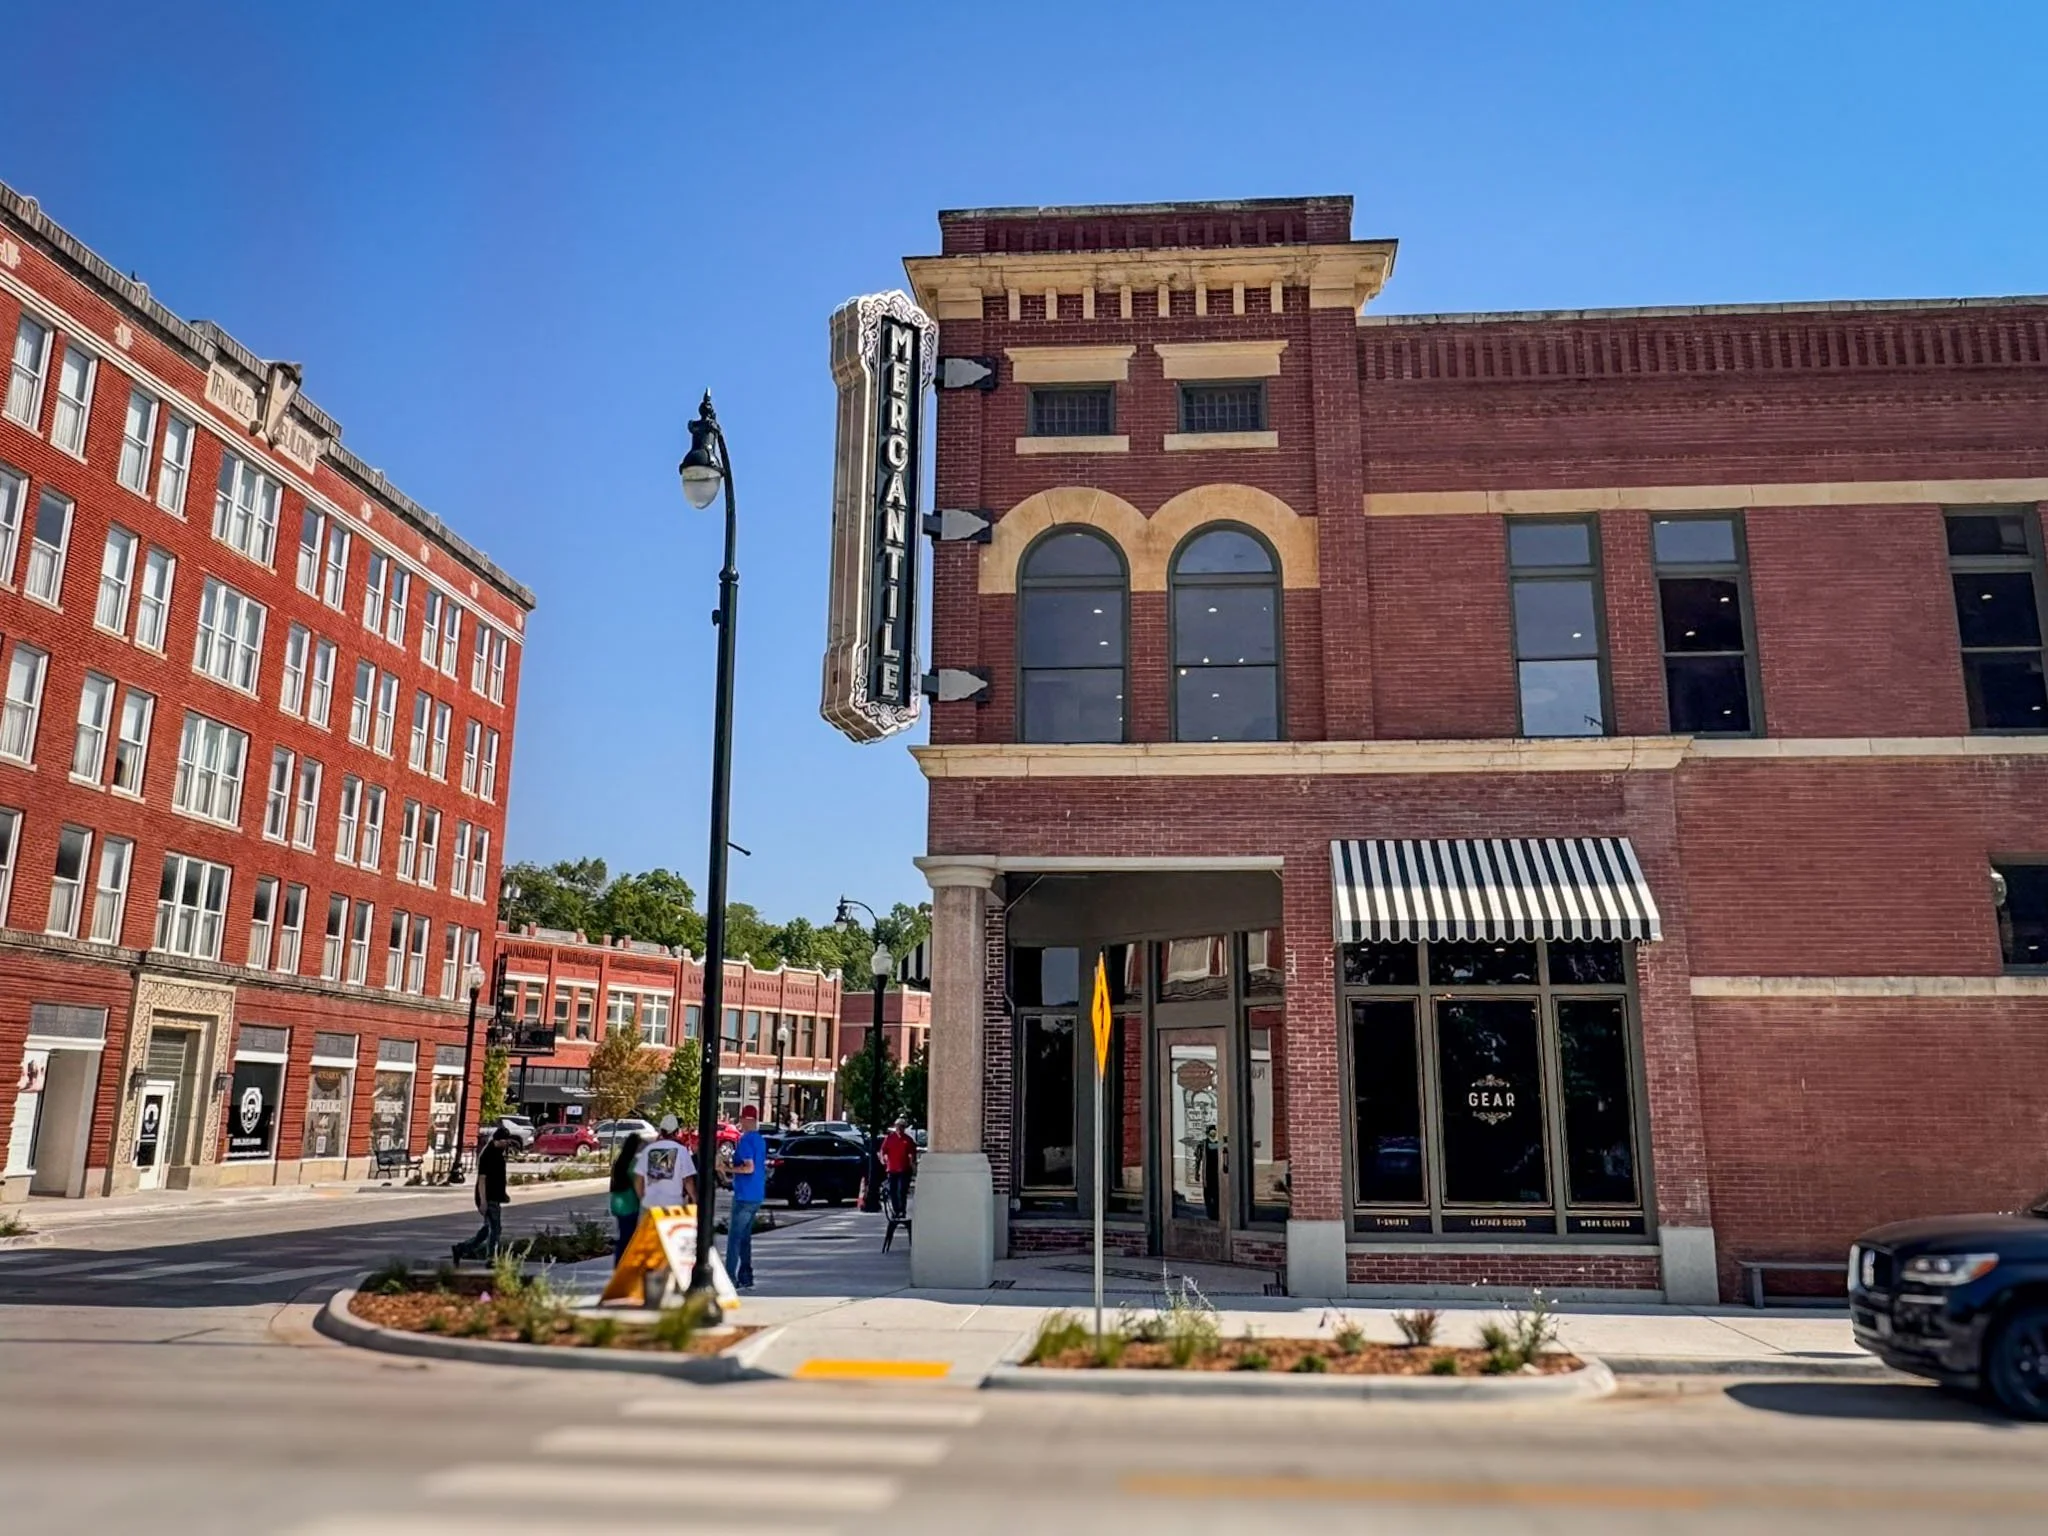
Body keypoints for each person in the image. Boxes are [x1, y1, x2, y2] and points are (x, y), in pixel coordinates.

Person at [453, 1123, 514, 1263]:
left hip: (495, 1196)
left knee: (487, 1229)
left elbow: (498, 1178)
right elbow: (482, 1179)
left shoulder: (498, 1153)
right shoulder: (488, 1155)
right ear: (497, 1140)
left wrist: (503, 1194)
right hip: (488, 1197)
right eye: (505, 1141)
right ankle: (491, 1258)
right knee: (495, 1229)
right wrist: (483, 1201)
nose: (507, 1143)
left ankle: (461, 1249)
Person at [726, 1105, 767, 1290]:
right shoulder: (760, 1140)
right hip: (756, 1194)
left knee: (734, 1238)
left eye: (741, 1119)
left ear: (745, 1120)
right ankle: (746, 1275)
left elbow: (748, 1167)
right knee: (745, 1237)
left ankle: (730, 1277)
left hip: (744, 1195)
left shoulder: (745, 1141)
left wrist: (726, 1168)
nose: (740, 1123)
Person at [634, 1113, 698, 1212]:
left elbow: (638, 1180)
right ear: (676, 1132)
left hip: (650, 1206)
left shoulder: (648, 1150)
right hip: (673, 1206)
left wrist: (643, 1199)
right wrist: (694, 1199)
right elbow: (688, 1180)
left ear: (661, 1131)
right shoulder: (681, 1150)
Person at [608, 1130, 645, 1265]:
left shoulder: (620, 1160)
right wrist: (643, 1199)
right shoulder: (634, 1163)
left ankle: (619, 1263)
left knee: (623, 1235)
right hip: (629, 1204)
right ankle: (622, 1265)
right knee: (628, 1238)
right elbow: (638, 1184)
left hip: (617, 1202)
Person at [879, 1117, 917, 1222]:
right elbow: (883, 1150)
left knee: (901, 1191)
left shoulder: (908, 1140)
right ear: (895, 1127)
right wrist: (883, 1159)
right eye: (898, 1126)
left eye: (902, 1127)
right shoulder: (890, 1138)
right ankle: (896, 1211)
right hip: (892, 1169)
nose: (899, 1129)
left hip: (904, 1170)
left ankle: (902, 1211)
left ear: (904, 1128)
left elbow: (912, 1154)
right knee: (893, 1191)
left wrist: (912, 1164)